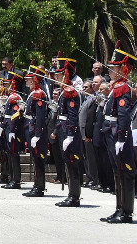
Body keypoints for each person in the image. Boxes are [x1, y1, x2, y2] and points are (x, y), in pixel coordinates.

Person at [100, 45, 137, 223]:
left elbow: (123, 116)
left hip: (118, 134)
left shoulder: (122, 88)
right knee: (117, 173)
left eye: (113, 68)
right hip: (111, 133)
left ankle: (126, 212)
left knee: (124, 173)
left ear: (121, 69)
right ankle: (118, 208)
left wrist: (121, 139)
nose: (110, 71)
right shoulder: (116, 87)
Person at [54, 55, 83, 207]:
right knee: (68, 162)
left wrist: (70, 135)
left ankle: (75, 196)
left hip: (69, 131)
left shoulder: (70, 91)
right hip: (63, 129)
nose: (56, 77)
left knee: (72, 162)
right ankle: (71, 194)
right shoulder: (65, 90)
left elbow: (72, 115)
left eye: (59, 74)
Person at [23, 68, 49, 197]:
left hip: (35, 130)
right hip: (30, 127)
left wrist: (38, 135)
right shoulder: (33, 93)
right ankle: (36, 185)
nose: (26, 81)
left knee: (38, 159)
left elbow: (40, 116)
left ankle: (39, 187)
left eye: (28, 79)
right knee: (35, 158)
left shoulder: (39, 94)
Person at [2, 72, 24, 190]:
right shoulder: (10, 96)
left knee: (14, 155)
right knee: (10, 154)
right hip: (9, 129)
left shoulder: (15, 97)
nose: (5, 86)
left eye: (8, 83)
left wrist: (11, 130)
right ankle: (12, 178)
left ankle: (16, 180)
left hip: (13, 131)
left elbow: (15, 116)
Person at [79, 79, 100, 188]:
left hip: (89, 133)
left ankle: (94, 178)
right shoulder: (87, 99)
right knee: (87, 157)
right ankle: (90, 177)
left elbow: (91, 117)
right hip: (83, 132)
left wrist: (88, 133)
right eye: (83, 87)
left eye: (86, 87)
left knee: (92, 158)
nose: (84, 89)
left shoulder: (95, 99)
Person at [47, 88, 64, 184]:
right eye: (53, 94)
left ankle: (61, 177)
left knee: (59, 158)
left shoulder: (61, 106)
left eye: (56, 94)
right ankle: (58, 175)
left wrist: (55, 132)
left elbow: (58, 121)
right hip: (50, 135)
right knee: (56, 158)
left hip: (57, 135)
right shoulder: (53, 105)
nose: (54, 95)